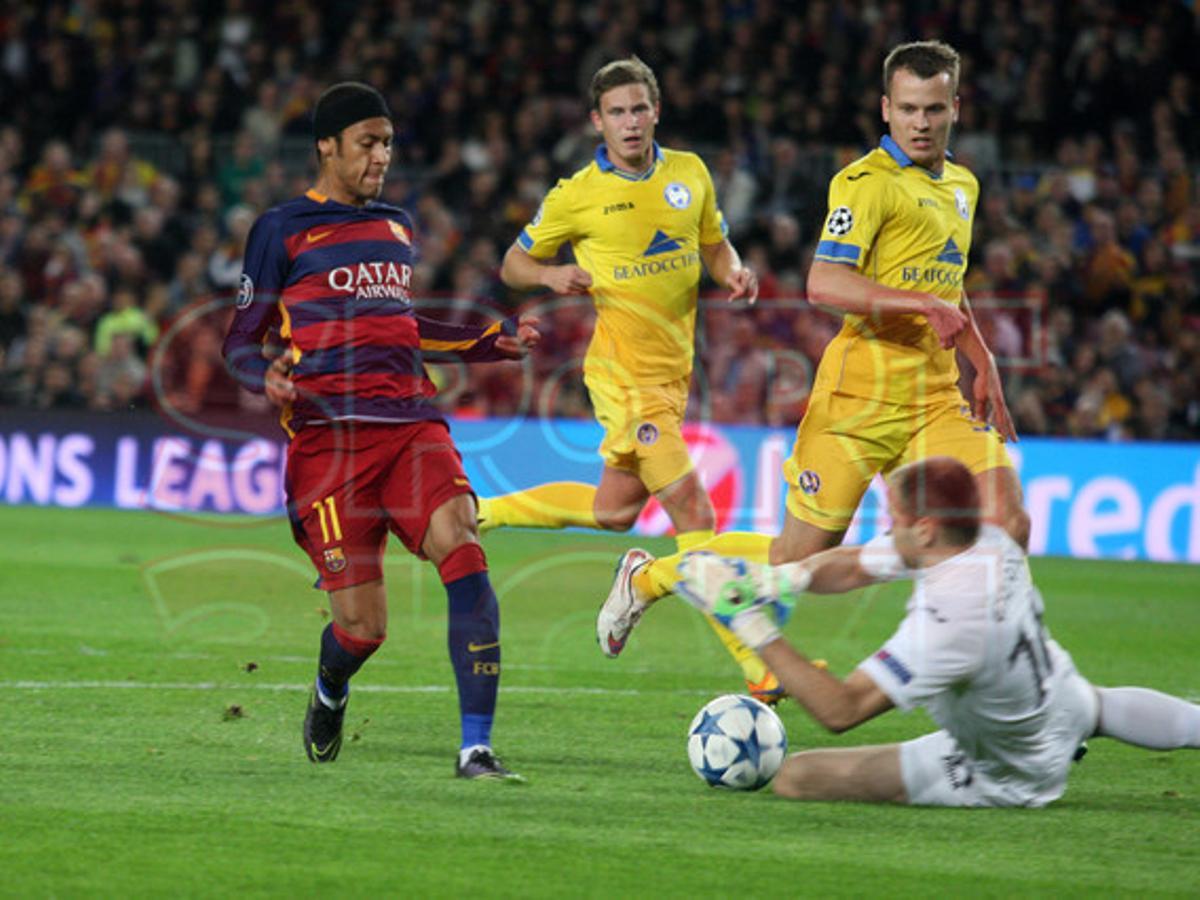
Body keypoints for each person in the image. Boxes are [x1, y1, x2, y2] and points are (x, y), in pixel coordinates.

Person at [601, 41, 1030, 674]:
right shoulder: (865, 184)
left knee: (1007, 524)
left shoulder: (962, 185)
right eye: (908, 108)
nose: (920, 122)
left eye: (934, 109)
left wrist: (980, 354)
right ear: (886, 108)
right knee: (794, 562)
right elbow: (824, 283)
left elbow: (947, 282)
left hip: (934, 398)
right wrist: (919, 305)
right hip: (858, 399)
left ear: (955, 108)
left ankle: (1007, 686)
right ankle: (652, 577)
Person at [222, 82, 539, 779]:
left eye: (388, 143)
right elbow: (240, 342)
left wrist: (489, 341)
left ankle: (475, 748)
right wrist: (264, 377)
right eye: (368, 142)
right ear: (326, 146)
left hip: (410, 426)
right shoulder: (281, 229)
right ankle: (330, 686)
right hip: (328, 447)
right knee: (363, 630)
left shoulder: (397, 225)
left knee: (464, 545)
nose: (381, 157)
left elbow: (402, 327)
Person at [475, 57, 772, 697]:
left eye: (639, 109)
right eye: (617, 112)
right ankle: (760, 670)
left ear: (656, 111)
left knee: (614, 511)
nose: (630, 122)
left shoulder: (689, 173)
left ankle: (486, 512)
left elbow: (714, 242)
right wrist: (552, 276)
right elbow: (513, 263)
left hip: (672, 377)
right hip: (622, 378)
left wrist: (734, 272)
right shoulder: (576, 193)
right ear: (597, 122)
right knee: (694, 512)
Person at [676, 456, 1200, 806]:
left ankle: (1021, 773)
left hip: (1007, 764)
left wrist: (747, 620)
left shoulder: (948, 624)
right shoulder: (985, 539)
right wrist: (780, 579)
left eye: (894, 516)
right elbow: (858, 563)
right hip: (1059, 694)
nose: (889, 525)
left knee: (793, 777)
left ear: (924, 529)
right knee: (1095, 706)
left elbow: (841, 710)